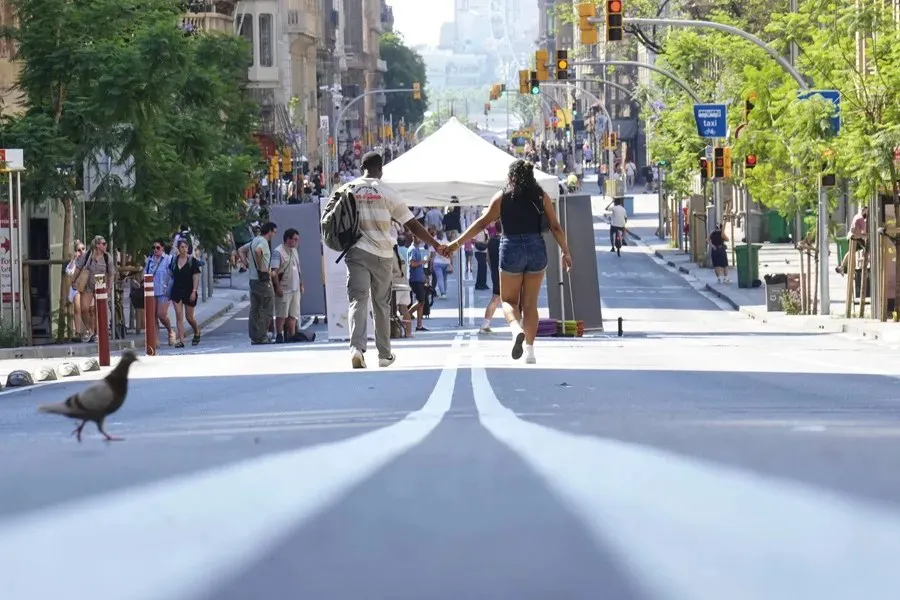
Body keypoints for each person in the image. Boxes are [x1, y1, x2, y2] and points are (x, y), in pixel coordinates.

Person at [445, 159, 572, 364]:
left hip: (511, 246)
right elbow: (555, 227)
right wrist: (566, 252)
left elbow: (482, 223)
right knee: (530, 304)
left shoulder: (502, 197)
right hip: (536, 247)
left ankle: (515, 330)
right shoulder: (541, 196)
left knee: (509, 301)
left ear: (511, 177)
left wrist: (456, 243)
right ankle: (530, 352)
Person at [344, 152, 443, 369]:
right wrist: (435, 244)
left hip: (355, 252)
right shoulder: (388, 192)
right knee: (381, 303)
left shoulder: (348, 189)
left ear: (361, 168)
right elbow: (412, 224)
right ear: (381, 169)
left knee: (358, 300)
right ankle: (384, 354)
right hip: (382, 254)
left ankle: (356, 349)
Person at [69, 235, 116, 343]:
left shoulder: (107, 257)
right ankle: (91, 330)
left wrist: (109, 287)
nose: (105, 246)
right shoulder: (87, 255)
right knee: (84, 308)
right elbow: (78, 268)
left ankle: (98, 333)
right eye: (103, 244)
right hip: (88, 284)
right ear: (97, 245)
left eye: (105, 243)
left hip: (101, 282)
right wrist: (73, 280)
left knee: (99, 310)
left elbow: (111, 273)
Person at [239, 222, 278, 344]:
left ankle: (254, 336)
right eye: (274, 232)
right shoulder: (263, 242)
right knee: (267, 307)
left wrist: (246, 263)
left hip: (253, 279)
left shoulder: (254, 240)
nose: (274, 235)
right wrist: (261, 267)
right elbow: (258, 251)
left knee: (255, 309)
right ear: (269, 231)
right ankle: (262, 336)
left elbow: (241, 250)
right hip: (263, 280)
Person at [271, 228, 304, 343]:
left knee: (293, 314)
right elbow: (274, 272)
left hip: (295, 288)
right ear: (288, 239)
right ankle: (279, 334)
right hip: (284, 288)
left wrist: (301, 283)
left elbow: (298, 268)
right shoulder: (278, 252)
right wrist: (278, 287)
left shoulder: (294, 251)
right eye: (295, 239)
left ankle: (292, 334)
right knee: (282, 313)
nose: (296, 242)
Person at [168, 238, 201, 347]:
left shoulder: (192, 261)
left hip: (189, 290)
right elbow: (170, 274)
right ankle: (181, 340)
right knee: (179, 316)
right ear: (178, 248)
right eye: (182, 247)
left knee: (189, 317)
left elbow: (195, 277)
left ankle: (197, 331)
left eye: (185, 247)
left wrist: (194, 291)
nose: (184, 249)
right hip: (177, 290)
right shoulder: (174, 260)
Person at [144, 239, 175, 346]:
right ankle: (155, 339)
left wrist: (169, 286)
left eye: (158, 248)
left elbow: (172, 274)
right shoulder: (150, 260)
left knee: (161, 314)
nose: (155, 250)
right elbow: (146, 273)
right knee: (153, 316)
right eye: (154, 248)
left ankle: (170, 331)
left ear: (162, 248)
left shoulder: (168, 259)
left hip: (163, 291)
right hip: (151, 291)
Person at [479, 221, 503, 334]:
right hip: (506, 272)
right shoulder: (505, 240)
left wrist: (492, 268)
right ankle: (519, 324)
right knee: (514, 300)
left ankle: (485, 325)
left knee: (496, 298)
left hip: (495, 271)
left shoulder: (491, 240)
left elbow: (488, 258)